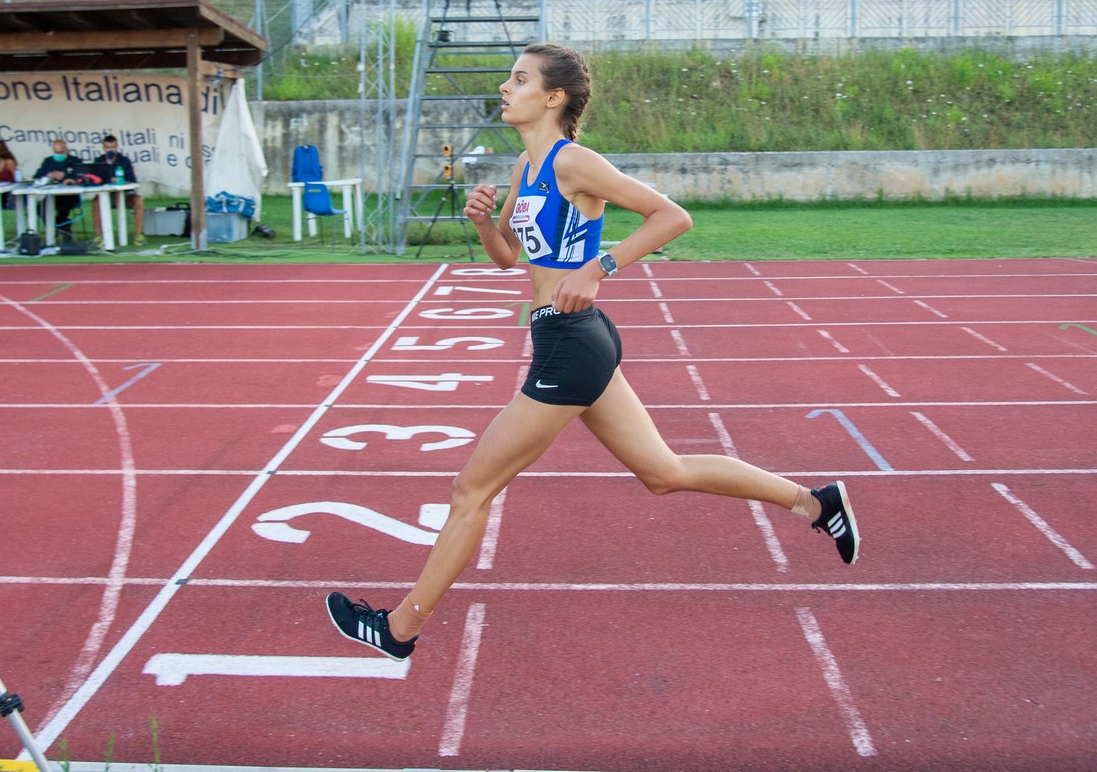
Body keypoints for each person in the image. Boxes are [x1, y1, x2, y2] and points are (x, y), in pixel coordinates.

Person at [325, 42, 861, 662]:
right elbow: (510, 259)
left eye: (519, 79)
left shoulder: (573, 162)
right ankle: (815, 502)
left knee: (471, 490)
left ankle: (399, 629)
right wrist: (483, 224)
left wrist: (598, 268)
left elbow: (671, 217)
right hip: (574, 337)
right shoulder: (526, 169)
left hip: (571, 342)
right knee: (664, 473)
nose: (505, 88)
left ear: (552, 97)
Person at [89, 134, 146, 245]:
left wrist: (121, 179)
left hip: (124, 196)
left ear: (117, 147)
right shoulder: (98, 161)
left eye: (113, 147)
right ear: (104, 148)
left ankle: (138, 235)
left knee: (139, 200)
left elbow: (132, 180)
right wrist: (107, 179)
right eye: (108, 147)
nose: (111, 150)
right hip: (106, 196)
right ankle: (98, 237)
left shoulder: (124, 161)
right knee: (95, 203)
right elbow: (94, 179)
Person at [33, 139, 83, 237]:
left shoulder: (75, 161)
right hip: (52, 195)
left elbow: (82, 176)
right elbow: (37, 176)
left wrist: (67, 177)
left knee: (63, 208)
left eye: (61, 152)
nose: (58, 155)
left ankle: (59, 227)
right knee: (40, 208)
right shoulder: (48, 161)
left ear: (66, 150)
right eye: (56, 152)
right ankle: (59, 227)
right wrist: (48, 175)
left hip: (70, 195)